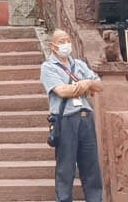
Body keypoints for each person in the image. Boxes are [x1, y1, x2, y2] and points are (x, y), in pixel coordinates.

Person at [43, 28, 106, 202]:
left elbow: (100, 85)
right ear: (52, 46)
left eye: (67, 40)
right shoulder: (48, 67)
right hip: (66, 120)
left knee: (91, 167)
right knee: (66, 168)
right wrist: (85, 85)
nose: (65, 44)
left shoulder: (79, 64)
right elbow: (61, 91)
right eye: (61, 41)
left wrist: (87, 83)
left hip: (86, 118)